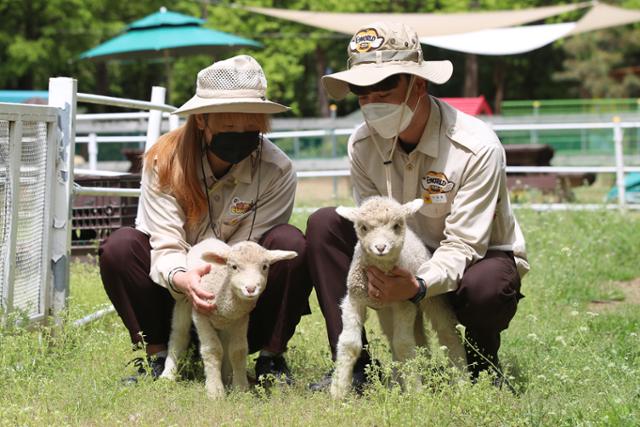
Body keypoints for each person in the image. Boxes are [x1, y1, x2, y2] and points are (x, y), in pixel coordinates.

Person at [306, 23, 529, 391]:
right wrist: (386, 274)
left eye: (385, 88)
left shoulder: (477, 147)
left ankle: (480, 363)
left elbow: (466, 244)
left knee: (486, 286)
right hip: (399, 253)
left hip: (472, 260)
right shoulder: (361, 145)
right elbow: (370, 222)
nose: (372, 101)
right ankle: (354, 365)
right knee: (324, 224)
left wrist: (419, 285)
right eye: (362, 92)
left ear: (418, 84)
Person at [99, 55, 312, 385]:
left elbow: (250, 253)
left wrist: (222, 286)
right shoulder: (163, 161)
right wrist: (184, 278)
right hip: (174, 297)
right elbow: (166, 243)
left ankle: (271, 357)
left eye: (251, 125)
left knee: (289, 242)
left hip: (242, 302)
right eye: (228, 125)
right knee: (120, 248)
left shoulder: (277, 171)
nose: (240, 134)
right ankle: (157, 356)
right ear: (201, 120)